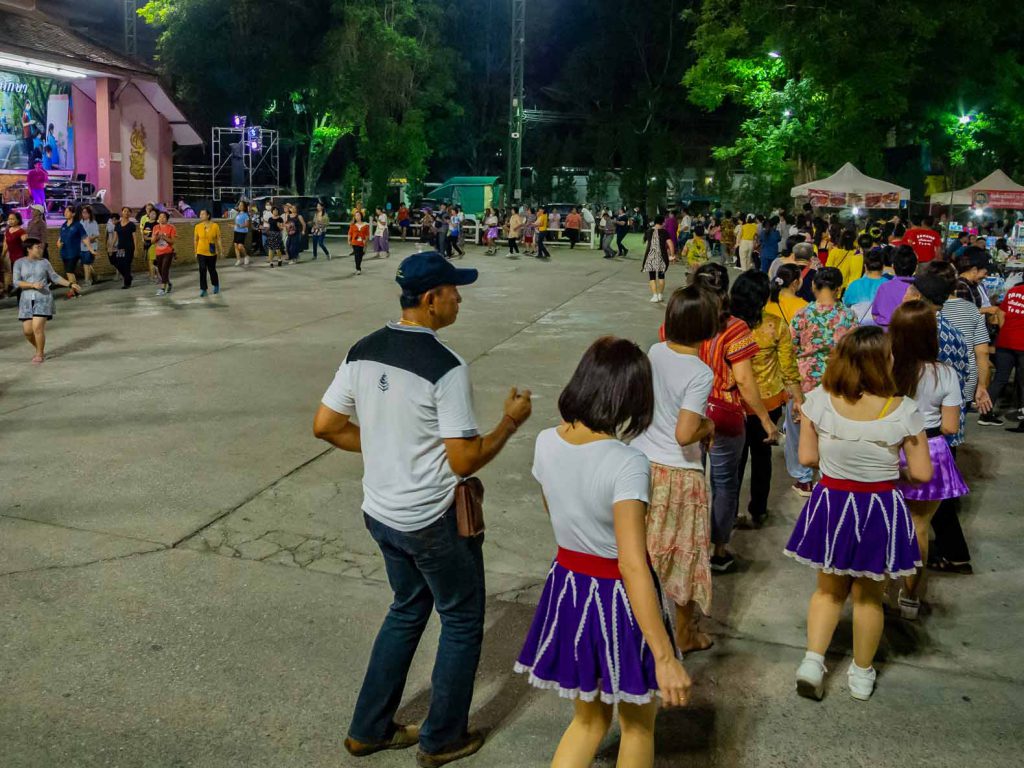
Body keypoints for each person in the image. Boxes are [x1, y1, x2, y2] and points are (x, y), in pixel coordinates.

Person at [314, 250, 532, 766]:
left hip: (381, 513)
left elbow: (325, 425)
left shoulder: (363, 349)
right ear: (431, 300)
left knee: (407, 607)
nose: (460, 298)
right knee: (460, 619)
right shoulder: (446, 367)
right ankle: (442, 739)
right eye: (455, 290)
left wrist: (388, 447)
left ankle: (367, 729)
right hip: (430, 519)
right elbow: (464, 460)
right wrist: (510, 423)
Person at [515, 336, 690, 767]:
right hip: (617, 600)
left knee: (588, 722)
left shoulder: (545, 441)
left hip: (569, 588)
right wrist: (665, 657)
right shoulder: (625, 461)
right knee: (637, 725)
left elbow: (552, 509)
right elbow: (632, 563)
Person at [785, 327, 931, 701]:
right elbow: (922, 473)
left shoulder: (818, 400)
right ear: (881, 362)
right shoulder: (904, 410)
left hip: (833, 500)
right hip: (879, 505)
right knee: (868, 597)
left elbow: (806, 459)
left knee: (828, 590)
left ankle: (813, 661)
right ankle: (862, 673)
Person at [632, 286, 718, 653]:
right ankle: (685, 632)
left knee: (643, 553)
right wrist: (708, 427)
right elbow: (685, 434)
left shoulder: (655, 351)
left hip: (640, 464)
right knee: (685, 554)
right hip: (678, 473)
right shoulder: (700, 372)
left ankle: (639, 626)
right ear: (708, 327)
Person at [693, 263, 778, 571]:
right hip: (723, 411)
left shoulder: (680, 319)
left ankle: (688, 544)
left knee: (689, 480)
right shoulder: (735, 327)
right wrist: (766, 420)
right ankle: (718, 550)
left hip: (688, 411)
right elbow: (743, 380)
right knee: (725, 484)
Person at [889, 301, 968, 621]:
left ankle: (877, 589)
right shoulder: (944, 374)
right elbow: (950, 427)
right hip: (930, 452)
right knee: (920, 528)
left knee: (885, 524)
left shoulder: (885, 369)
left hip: (888, 451)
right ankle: (910, 597)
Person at [732, 270, 801, 526]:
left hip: (734, 402)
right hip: (769, 401)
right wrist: (799, 400)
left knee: (734, 461)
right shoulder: (775, 325)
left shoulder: (726, 327)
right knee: (762, 459)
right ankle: (758, 510)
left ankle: (728, 511)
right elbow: (788, 367)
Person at [767, 264, 815, 496]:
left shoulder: (768, 303)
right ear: (796, 283)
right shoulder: (804, 307)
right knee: (798, 420)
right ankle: (804, 476)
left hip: (769, 370)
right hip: (793, 371)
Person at [791, 267, 859, 397]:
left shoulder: (802, 314)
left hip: (807, 379)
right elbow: (853, 349)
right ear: (838, 289)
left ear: (813, 285)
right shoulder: (849, 315)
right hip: (837, 378)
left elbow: (792, 348)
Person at [12, 237, 82, 363]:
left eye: (41, 247)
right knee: (28, 331)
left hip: (42, 298)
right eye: (37, 247)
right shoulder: (19, 263)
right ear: (29, 249)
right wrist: (32, 285)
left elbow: (54, 277)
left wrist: (70, 284)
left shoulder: (45, 262)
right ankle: (39, 348)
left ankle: (39, 354)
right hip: (26, 300)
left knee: (37, 327)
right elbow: (16, 282)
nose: (41, 249)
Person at [986, 279, 1024, 423]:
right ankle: (1022, 415)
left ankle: (985, 413)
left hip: (1005, 341)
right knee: (1022, 381)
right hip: (1022, 344)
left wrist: (1006, 331)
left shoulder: (1013, 291)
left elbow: (1000, 313)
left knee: (1000, 379)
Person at [870, 244, 917, 328]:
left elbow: (875, 314)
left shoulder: (884, 287)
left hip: (886, 334)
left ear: (893, 266)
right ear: (915, 268)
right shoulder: (918, 289)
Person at [843, 247, 888, 320]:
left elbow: (846, 303)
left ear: (865, 267)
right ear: (883, 267)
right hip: (882, 326)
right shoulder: (889, 284)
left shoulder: (854, 285)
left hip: (859, 326)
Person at [642, 214, 674, 303]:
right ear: (663, 222)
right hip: (662, 257)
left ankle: (655, 296)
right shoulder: (664, 232)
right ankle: (660, 295)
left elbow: (645, 244)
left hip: (650, 257)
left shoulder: (648, 231)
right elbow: (670, 244)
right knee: (661, 276)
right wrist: (672, 255)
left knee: (652, 277)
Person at [57, 205, 86, 293]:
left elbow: (85, 237)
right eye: (65, 211)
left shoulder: (78, 225)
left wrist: (90, 249)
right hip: (64, 253)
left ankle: (74, 291)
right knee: (69, 273)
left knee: (70, 272)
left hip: (74, 253)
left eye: (68, 211)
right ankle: (74, 289)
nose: (65, 213)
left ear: (73, 214)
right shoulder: (64, 225)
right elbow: (60, 238)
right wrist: (58, 243)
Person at [193, 208, 222, 297]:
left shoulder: (215, 226)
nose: (201, 216)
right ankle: (203, 289)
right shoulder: (197, 226)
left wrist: (220, 250)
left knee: (212, 269)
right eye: (200, 214)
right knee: (202, 269)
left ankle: (216, 284)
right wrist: (195, 251)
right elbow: (195, 240)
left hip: (211, 251)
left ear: (208, 215)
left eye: (203, 214)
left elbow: (218, 239)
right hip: (200, 251)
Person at [110, 206, 137, 289]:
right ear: (122, 212)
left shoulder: (131, 225)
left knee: (126, 265)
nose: (126, 213)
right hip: (120, 247)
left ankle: (127, 283)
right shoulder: (117, 224)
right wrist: (111, 246)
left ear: (130, 214)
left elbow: (134, 237)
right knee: (118, 263)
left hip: (129, 247)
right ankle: (128, 277)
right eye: (124, 211)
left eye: (128, 211)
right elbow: (115, 236)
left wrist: (136, 249)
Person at [151, 211, 177, 296]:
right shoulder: (155, 227)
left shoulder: (171, 227)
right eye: (160, 217)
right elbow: (152, 241)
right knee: (161, 270)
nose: (162, 219)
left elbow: (172, 241)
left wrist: (164, 236)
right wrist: (157, 236)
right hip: (159, 252)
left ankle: (162, 288)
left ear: (167, 219)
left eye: (164, 217)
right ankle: (168, 283)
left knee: (165, 268)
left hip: (168, 251)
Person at [3, 210, 27, 296]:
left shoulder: (21, 231)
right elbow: (5, 245)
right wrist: (2, 256)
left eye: (13, 219)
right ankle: (19, 298)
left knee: (21, 279)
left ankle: (23, 298)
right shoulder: (8, 230)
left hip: (21, 259)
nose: (10, 221)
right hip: (13, 259)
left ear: (18, 220)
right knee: (16, 279)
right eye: (9, 219)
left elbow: (26, 246)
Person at [78, 205, 100, 287]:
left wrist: (88, 240)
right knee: (84, 263)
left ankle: (87, 281)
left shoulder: (93, 223)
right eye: (83, 213)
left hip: (91, 246)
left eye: (85, 213)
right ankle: (95, 276)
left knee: (86, 263)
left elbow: (97, 234)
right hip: (81, 246)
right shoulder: (80, 222)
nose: (84, 214)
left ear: (89, 214)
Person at [139, 203, 159, 282]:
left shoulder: (157, 224)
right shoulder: (146, 223)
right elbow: (144, 234)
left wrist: (151, 238)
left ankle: (157, 276)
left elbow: (158, 236)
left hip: (155, 245)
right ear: (149, 214)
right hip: (148, 244)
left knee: (154, 261)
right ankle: (152, 276)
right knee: (150, 261)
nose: (153, 215)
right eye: (151, 213)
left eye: (154, 214)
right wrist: (147, 238)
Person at [347, 209, 369, 275]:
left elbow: (367, 234)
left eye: (358, 215)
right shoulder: (353, 225)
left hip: (362, 242)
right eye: (356, 216)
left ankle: (358, 267)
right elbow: (349, 233)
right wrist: (349, 240)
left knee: (360, 255)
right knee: (356, 255)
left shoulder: (365, 225)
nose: (357, 217)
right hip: (355, 242)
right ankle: (358, 269)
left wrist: (366, 242)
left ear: (361, 216)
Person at [232, 201, 250, 266]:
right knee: (235, 245)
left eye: (242, 205)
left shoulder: (246, 215)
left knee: (240, 246)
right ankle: (238, 259)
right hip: (236, 231)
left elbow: (247, 224)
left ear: (244, 207)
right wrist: (233, 226)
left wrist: (240, 226)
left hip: (242, 232)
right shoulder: (238, 214)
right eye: (239, 205)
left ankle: (246, 256)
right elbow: (236, 223)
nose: (240, 206)